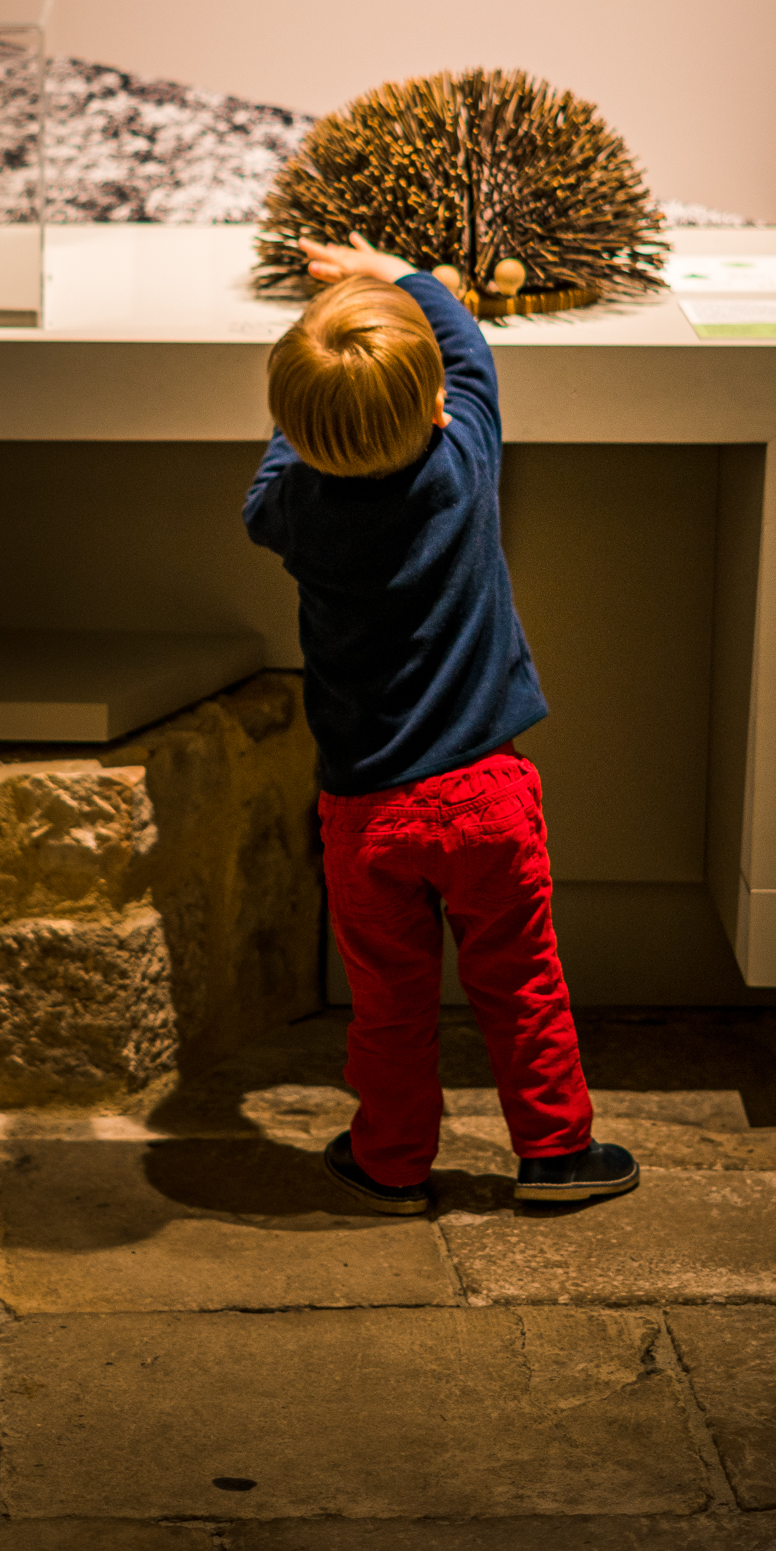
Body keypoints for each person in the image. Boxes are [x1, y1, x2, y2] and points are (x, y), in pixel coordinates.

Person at [243, 232, 639, 1215]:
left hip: (365, 816)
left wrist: (308, 404)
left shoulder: (292, 510)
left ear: (293, 431)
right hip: (487, 801)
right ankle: (555, 1153)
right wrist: (397, 275)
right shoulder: (464, 459)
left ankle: (390, 1162)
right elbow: (467, 346)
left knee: (388, 1003)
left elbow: (271, 481)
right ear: (435, 407)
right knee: (522, 982)